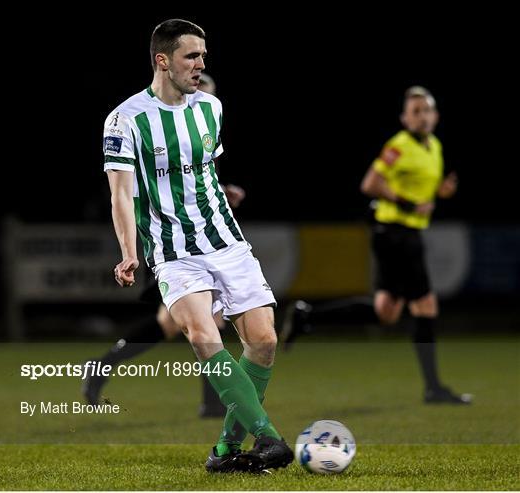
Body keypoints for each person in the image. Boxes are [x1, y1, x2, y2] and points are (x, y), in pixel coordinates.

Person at [102, 19, 293, 472]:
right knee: (202, 334)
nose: (201, 64)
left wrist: (224, 196)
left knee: (263, 341)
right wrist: (130, 251)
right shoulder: (125, 119)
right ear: (162, 61)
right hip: (173, 250)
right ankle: (268, 437)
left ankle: (226, 451)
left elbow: (202, 172)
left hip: (226, 240)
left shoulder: (211, 108)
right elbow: (121, 194)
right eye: (191, 56)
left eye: (203, 56)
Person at [281, 86, 472, 405]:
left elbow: (417, 188)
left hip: (400, 235)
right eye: (416, 112)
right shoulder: (399, 145)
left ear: (436, 116)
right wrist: (408, 204)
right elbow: (370, 183)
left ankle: (308, 315)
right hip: (397, 234)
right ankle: (434, 388)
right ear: (405, 118)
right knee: (426, 306)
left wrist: (440, 192)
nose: (422, 117)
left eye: (427, 111)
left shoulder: (433, 146)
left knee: (385, 311)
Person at [83, 73, 245, 419]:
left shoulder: (202, 126)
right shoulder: (147, 124)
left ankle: (102, 365)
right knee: (205, 322)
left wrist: (224, 193)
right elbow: (129, 188)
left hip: (201, 239)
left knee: (172, 324)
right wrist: (131, 249)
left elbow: (200, 182)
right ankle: (214, 406)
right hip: (169, 240)